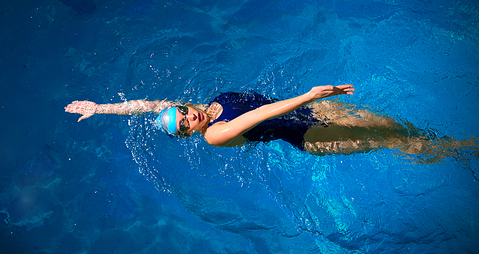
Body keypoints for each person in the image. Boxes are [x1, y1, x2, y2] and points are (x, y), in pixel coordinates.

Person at [65, 84, 475, 161]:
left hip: (308, 111)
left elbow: (147, 105)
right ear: (190, 135)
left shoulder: (202, 107)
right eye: (184, 125)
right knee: (388, 139)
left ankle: (447, 142)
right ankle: (459, 151)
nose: (190, 117)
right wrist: (310, 96)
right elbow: (260, 114)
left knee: (390, 123)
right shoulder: (215, 135)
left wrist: (101, 108)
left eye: (183, 112)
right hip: (308, 133)